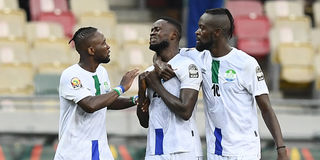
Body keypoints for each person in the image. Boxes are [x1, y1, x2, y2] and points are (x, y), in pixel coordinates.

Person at [154, 8, 289, 160]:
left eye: (202, 28)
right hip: (215, 152)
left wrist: (281, 148)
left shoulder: (246, 63)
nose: (197, 32)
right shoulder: (197, 57)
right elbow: (165, 51)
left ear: (217, 32)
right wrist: (158, 63)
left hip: (244, 151)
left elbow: (266, 108)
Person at [54, 27, 139, 160]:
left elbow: (107, 102)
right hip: (75, 151)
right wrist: (121, 88)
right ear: (91, 50)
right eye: (103, 43)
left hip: (100, 148)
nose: (108, 46)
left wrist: (135, 100)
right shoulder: (71, 75)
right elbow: (90, 105)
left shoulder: (102, 72)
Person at [136, 17, 203, 160]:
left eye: (157, 29)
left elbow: (185, 111)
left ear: (174, 35)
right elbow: (144, 121)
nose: (152, 33)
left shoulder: (188, 66)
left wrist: (156, 86)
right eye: (151, 30)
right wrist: (141, 92)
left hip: (183, 150)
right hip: (155, 149)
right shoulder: (150, 72)